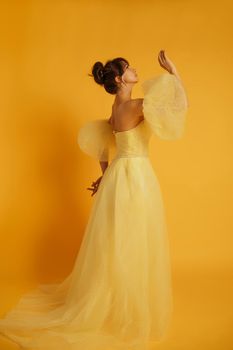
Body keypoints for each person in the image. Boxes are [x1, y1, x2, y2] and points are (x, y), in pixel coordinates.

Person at [0, 50, 189, 350]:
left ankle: (115, 305)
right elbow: (178, 103)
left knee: (115, 243)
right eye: (129, 69)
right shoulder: (138, 106)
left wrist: (104, 174)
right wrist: (173, 70)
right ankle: (130, 313)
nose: (135, 70)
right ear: (118, 78)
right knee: (136, 242)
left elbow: (103, 142)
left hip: (117, 177)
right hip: (137, 177)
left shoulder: (116, 108)